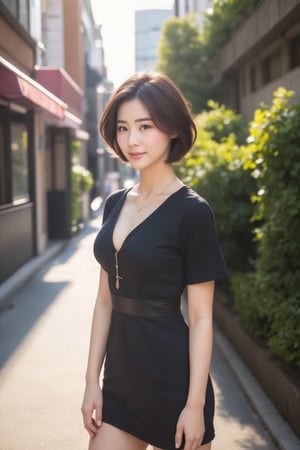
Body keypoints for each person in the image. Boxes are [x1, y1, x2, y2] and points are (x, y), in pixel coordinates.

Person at [81, 72, 228, 450]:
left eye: (145, 126)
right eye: (124, 127)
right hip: (121, 383)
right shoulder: (115, 204)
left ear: (173, 129)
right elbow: (104, 300)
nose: (132, 140)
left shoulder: (193, 213)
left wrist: (194, 405)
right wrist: (90, 383)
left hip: (174, 384)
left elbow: (200, 318)